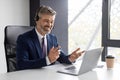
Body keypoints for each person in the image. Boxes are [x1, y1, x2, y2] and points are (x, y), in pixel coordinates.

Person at [16, 5, 84, 70]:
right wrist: (48, 60)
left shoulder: (52, 38)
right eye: (46, 21)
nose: (49, 25)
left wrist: (70, 59)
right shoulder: (23, 39)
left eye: (52, 22)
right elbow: (21, 64)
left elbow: (61, 57)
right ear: (36, 20)